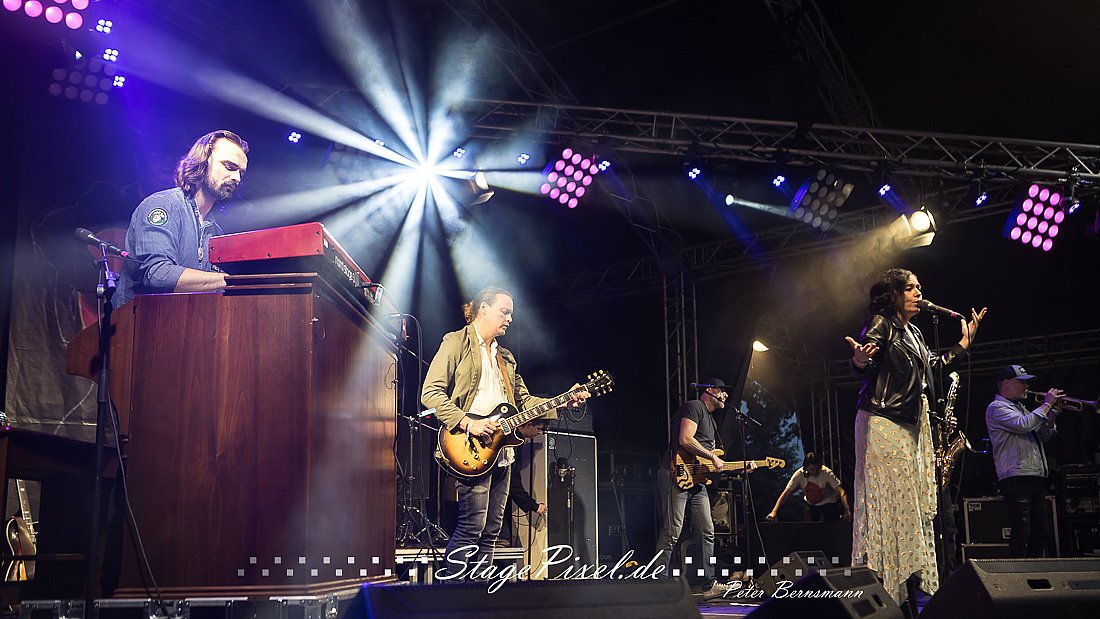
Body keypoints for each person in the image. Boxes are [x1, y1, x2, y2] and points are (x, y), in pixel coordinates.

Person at [844, 268, 986, 617]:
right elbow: (865, 359)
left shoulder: (915, 331)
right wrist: (860, 359)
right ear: (893, 294)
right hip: (882, 421)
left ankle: (905, 593)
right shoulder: (882, 323)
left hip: (909, 426)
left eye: (919, 287)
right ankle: (893, 594)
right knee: (893, 508)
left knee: (906, 511)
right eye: (910, 288)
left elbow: (932, 368)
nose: (918, 293)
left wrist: (964, 343)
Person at [422, 287, 586, 580]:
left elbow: (524, 402)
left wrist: (563, 401)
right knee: (472, 526)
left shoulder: (506, 358)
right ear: (483, 308)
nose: (510, 319)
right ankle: (451, 592)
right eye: (505, 312)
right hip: (469, 445)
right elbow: (430, 393)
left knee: (492, 531)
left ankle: (482, 594)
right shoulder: (456, 342)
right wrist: (467, 422)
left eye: (511, 313)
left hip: (502, 452)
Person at [114, 130, 249, 307]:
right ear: (202, 161)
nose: (236, 178)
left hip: (185, 320)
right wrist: (231, 281)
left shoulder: (216, 231)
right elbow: (158, 274)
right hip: (138, 320)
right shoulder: (163, 205)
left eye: (241, 173)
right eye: (229, 167)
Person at [655, 378, 735, 600]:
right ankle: (658, 582)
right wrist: (711, 456)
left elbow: (708, 460)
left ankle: (709, 584)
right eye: (722, 390)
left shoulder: (711, 421)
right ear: (710, 390)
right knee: (672, 531)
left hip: (697, 481)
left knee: (707, 531)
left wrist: (741, 467)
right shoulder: (695, 406)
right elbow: (685, 439)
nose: (726, 395)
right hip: (675, 474)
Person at [985, 364, 1063, 558]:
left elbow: (1043, 436)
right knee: (1022, 532)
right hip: (1016, 477)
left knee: (1041, 533)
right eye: (1021, 382)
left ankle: (1035, 570)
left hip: (1035, 475)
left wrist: (1052, 415)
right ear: (1006, 383)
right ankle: (1019, 572)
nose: (1026, 387)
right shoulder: (996, 408)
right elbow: (1024, 425)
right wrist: (1047, 404)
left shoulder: (1022, 409)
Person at [765, 451, 851, 522]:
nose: (815, 472)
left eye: (817, 469)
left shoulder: (826, 473)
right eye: (812, 469)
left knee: (829, 530)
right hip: (810, 506)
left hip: (829, 505)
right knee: (809, 532)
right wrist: (774, 511)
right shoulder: (799, 474)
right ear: (805, 468)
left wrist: (847, 510)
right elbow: (786, 494)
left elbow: (842, 492)